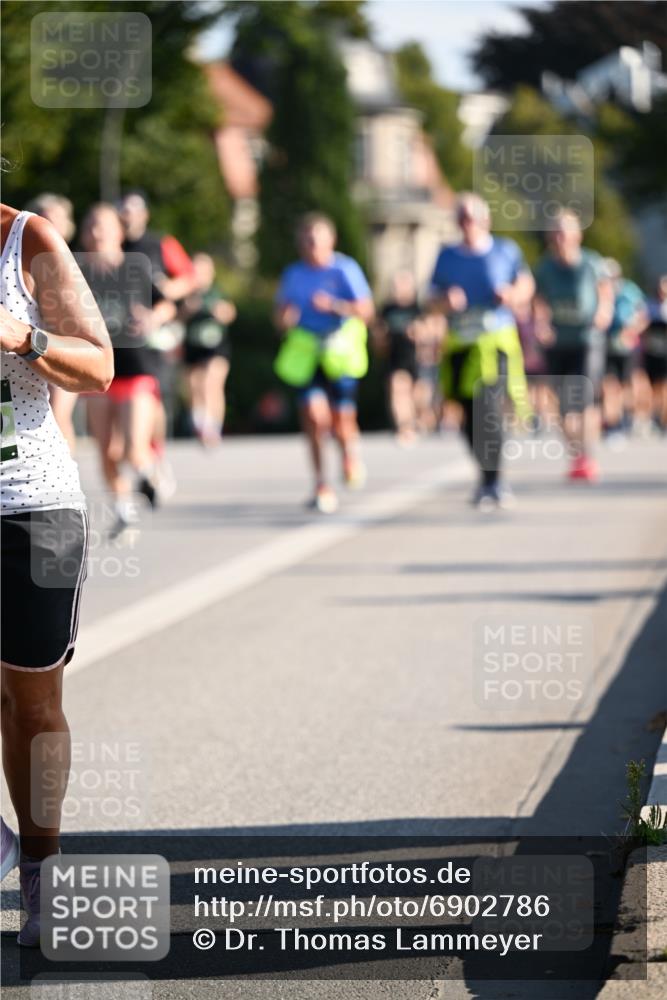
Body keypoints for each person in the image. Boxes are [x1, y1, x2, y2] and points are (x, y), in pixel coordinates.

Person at [0, 201, 112, 947]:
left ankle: (40, 868)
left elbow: (99, 366)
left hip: (27, 507)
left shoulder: (26, 239)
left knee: (30, 707)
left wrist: (24, 336)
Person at [429, 193, 534, 511]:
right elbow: (429, 298)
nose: (467, 224)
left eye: (472, 218)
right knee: (467, 414)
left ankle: (494, 481)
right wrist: (445, 301)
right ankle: (486, 475)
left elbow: (526, 285)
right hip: (461, 342)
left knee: (488, 408)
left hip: (495, 342)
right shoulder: (447, 256)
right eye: (461, 218)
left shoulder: (505, 250)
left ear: (485, 220)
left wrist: (512, 294)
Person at [78, 204, 175, 538]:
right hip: (97, 373)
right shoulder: (77, 274)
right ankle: (124, 510)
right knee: (106, 451)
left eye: (102, 226)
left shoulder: (135, 269)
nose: (95, 232)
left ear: (118, 232)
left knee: (134, 447)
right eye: (90, 225)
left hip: (136, 368)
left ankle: (152, 473)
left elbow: (165, 303)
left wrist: (153, 318)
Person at [274, 213, 374, 513]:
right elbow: (280, 316)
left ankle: (348, 454)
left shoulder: (345, 269)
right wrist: (284, 319)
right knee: (314, 418)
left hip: (340, 351)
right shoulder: (294, 274)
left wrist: (334, 306)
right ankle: (321, 483)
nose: (311, 244)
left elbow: (366, 311)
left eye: (317, 238)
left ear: (331, 239)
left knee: (341, 421)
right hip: (307, 353)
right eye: (306, 239)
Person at [119, 191, 196, 499]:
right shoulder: (112, 247)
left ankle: (154, 453)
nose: (127, 217)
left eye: (133, 211)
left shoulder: (160, 244)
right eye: (122, 211)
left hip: (156, 332)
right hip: (120, 336)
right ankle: (143, 457)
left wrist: (167, 291)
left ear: (144, 215)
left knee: (153, 397)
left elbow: (189, 278)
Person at [534, 209, 613, 482]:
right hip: (558, 341)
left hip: (587, 339)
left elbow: (605, 293)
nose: (560, 237)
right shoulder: (544, 268)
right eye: (555, 232)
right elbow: (538, 300)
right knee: (563, 406)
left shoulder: (592, 263)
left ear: (577, 235)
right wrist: (541, 324)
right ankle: (576, 455)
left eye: (565, 231)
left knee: (584, 399)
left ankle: (588, 457)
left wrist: (604, 313)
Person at [25, 194, 79, 454]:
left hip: (64, 349)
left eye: (57, 218)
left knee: (59, 413)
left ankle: (66, 467)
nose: (51, 224)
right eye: (45, 217)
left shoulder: (76, 263)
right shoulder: (23, 261)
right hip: (29, 350)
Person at [181, 253, 237, 447]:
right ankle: (199, 421)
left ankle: (213, 427)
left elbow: (230, 313)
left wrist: (219, 311)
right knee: (194, 385)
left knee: (211, 382)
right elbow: (176, 317)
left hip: (216, 346)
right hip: (193, 345)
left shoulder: (217, 292)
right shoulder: (186, 293)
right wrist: (187, 310)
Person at [601, 259, 648, 444]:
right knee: (608, 386)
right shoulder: (600, 291)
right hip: (606, 345)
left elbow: (643, 316)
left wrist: (631, 331)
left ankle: (628, 418)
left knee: (627, 386)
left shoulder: (630, 290)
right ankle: (613, 424)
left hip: (627, 347)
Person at [373, 271, 423, 445]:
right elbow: (378, 334)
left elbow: (433, 331)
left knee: (415, 397)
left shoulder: (418, 309)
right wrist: (381, 338)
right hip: (395, 357)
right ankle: (404, 428)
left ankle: (415, 422)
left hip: (417, 359)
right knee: (398, 391)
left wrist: (419, 334)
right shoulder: (387, 309)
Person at [641, 275, 667, 433]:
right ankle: (654, 417)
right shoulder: (650, 306)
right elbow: (642, 326)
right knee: (651, 387)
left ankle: (664, 420)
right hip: (652, 352)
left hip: (666, 353)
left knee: (664, 386)